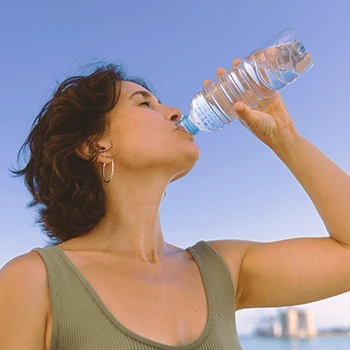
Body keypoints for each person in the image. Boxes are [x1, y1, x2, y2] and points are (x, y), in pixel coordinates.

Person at [1, 58, 350, 350]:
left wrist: (284, 136)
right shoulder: (33, 282)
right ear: (95, 145)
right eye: (144, 103)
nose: (174, 112)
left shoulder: (222, 270)